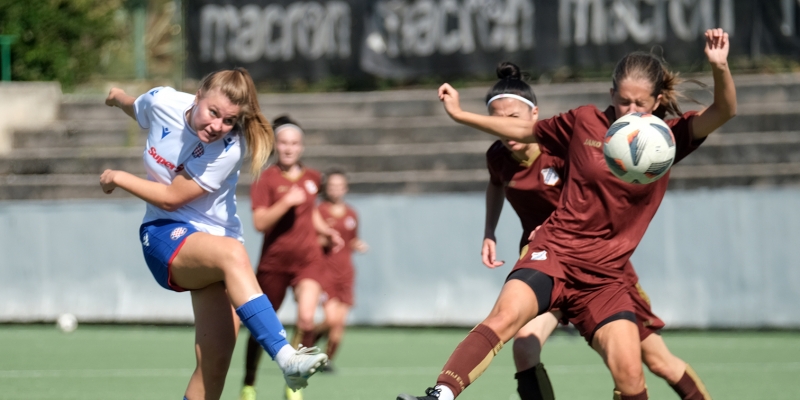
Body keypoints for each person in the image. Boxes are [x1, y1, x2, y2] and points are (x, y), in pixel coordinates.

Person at [398, 28, 735, 400]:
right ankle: (441, 394)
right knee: (507, 320)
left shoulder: (668, 141)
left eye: (640, 104)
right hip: (554, 254)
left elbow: (724, 111)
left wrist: (719, 67)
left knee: (633, 374)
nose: (631, 111)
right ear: (611, 96)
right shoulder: (585, 122)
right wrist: (462, 115)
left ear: (656, 101)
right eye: (623, 102)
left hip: (607, 277)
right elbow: (523, 129)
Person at [480, 62, 711, 400]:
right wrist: (490, 231)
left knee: (656, 361)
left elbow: (590, 193)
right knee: (524, 349)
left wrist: (554, 222)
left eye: (513, 118)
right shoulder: (498, 156)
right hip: (548, 266)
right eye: (498, 120)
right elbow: (496, 185)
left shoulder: (559, 149)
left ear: (533, 115)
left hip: (600, 270)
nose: (506, 128)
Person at [100, 68, 328, 400]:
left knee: (216, 360)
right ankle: (286, 357)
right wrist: (115, 96)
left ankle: (283, 358)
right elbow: (135, 105)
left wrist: (117, 177)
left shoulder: (228, 147)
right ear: (198, 95)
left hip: (215, 248)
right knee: (232, 254)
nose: (217, 126)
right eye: (213, 112)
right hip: (165, 234)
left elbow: (172, 195)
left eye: (228, 121)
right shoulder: (163, 100)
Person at [240, 115, 342, 400]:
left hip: (308, 262)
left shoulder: (312, 178)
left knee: (307, 320)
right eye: (284, 143)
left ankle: (293, 377)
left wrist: (327, 232)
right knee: (262, 327)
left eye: (294, 143)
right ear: (276, 145)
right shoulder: (266, 178)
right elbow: (260, 223)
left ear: (302, 146)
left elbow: (309, 214)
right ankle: (249, 382)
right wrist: (286, 201)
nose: (289, 148)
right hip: (274, 264)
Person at [314, 169, 369, 372]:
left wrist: (358, 244)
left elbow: (351, 239)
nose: (336, 189)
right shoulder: (319, 211)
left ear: (345, 188)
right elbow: (312, 241)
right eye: (332, 186)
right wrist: (325, 240)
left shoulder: (352, 214)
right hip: (325, 272)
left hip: (346, 273)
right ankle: (307, 343)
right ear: (326, 189)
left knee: (339, 323)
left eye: (340, 186)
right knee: (330, 319)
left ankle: (325, 360)